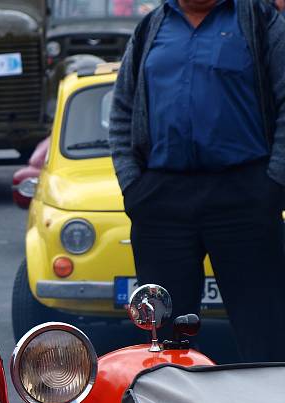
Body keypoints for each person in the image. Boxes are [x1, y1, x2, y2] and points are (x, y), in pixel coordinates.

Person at [109, 0, 285, 361]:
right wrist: (134, 187)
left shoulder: (260, 20)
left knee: (265, 331)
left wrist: (274, 186)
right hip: (162, 200)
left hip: (244, 197)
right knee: (164, 336)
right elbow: (122, 109)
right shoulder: (151, 27)